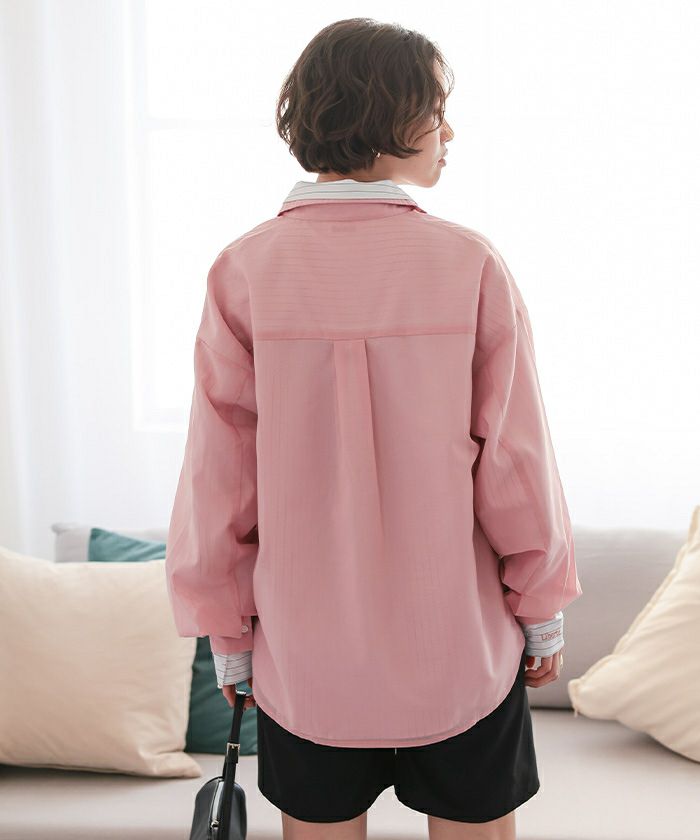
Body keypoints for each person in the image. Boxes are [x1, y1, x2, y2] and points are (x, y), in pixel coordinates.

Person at [165, 17, 582, 840]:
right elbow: (516, 464)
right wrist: (541, 610)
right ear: (384, 113)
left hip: (304, 663)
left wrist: (228, 636)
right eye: (436, 109)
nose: (449, 132)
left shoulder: (243, 270)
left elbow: (218, 480)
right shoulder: (470, 264)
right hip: (459, 654)